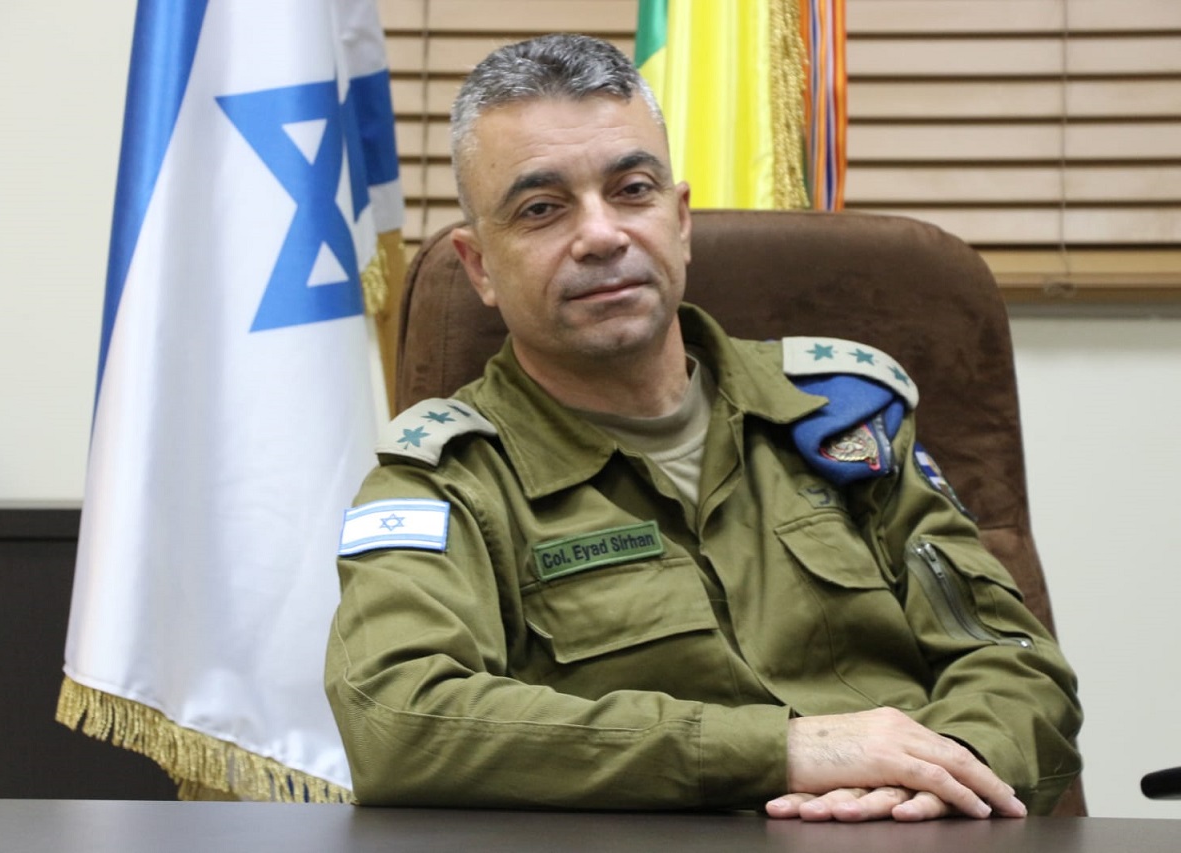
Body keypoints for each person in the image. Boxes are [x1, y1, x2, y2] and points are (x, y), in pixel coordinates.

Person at [325, 33, 1081, 821]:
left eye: (632, 189)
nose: (602, 235)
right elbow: (397, 717)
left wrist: (935, 770)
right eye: (542, 209)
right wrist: (780, 750)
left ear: (679, 219)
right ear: (479, 264)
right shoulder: (447, 478)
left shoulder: (845, 414)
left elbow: (1017, 664)